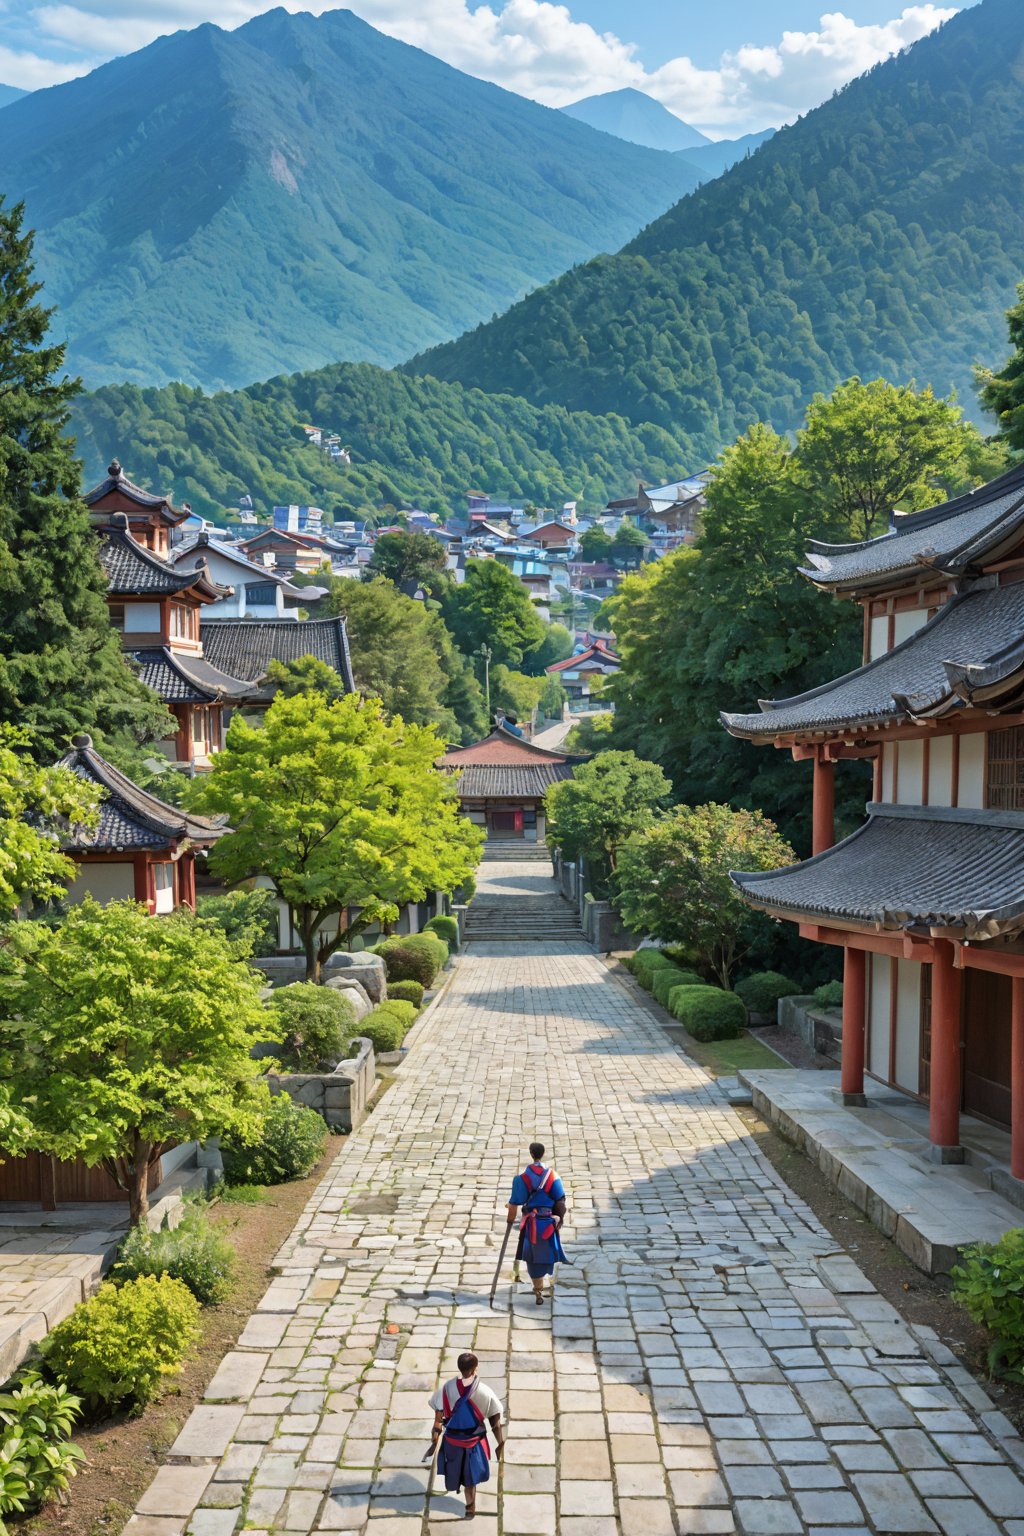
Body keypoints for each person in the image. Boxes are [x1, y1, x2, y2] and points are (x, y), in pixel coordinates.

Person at [429, 1351, 504, 1520]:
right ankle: (470, 1507)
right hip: (473, 1444)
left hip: (452, 1443)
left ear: (460, 1368)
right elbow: (496, 1423)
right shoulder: (485, 1392)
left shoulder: (446, 1388)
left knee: (455, 1472)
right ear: (475, 1368)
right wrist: (501, 1443)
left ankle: (469, 1505)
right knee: (471, 1477)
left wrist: (435, 1437)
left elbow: (438, 1419)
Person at [506, 1140, 568, 1304]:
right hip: (548, 1223)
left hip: (531, 1225)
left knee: (532, 1257)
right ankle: (545, 1285)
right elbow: (560, 1200)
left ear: (531, 1154)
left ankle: (538, 1290)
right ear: (542, 1153)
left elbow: (514, 1203)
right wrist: (558, 1219)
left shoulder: (522, 1178)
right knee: (548, 1253)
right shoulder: (553, 1176)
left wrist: (510, 1219)